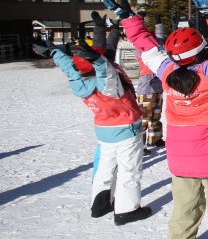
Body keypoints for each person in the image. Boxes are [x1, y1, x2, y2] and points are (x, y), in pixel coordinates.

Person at [102, 0, 208, 239]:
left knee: (184, 208)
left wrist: (127, 18)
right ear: (199, 50)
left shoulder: (167, 72)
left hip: (181, 159)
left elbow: (145, 46)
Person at [32, 22, 150, 226]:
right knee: (129, 170)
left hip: (104, 130)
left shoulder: (78, 79)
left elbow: (69, 66)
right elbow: (106, 71)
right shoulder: (107, 86)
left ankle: (100, 205)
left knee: (105, 167)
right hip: (125, 130)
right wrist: (96, 58)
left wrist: (53, 52)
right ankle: (126, 210)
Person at [132, 11, 166, 152]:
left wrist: (159, 23)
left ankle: (155, 138)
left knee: (156, 115)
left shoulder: (156, 45)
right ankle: (140, 145)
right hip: (147, 85)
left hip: (158, 83)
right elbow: (140, 33)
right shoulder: (140, 47)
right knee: (145, 117)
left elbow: (160, 38)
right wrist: (141, 20)